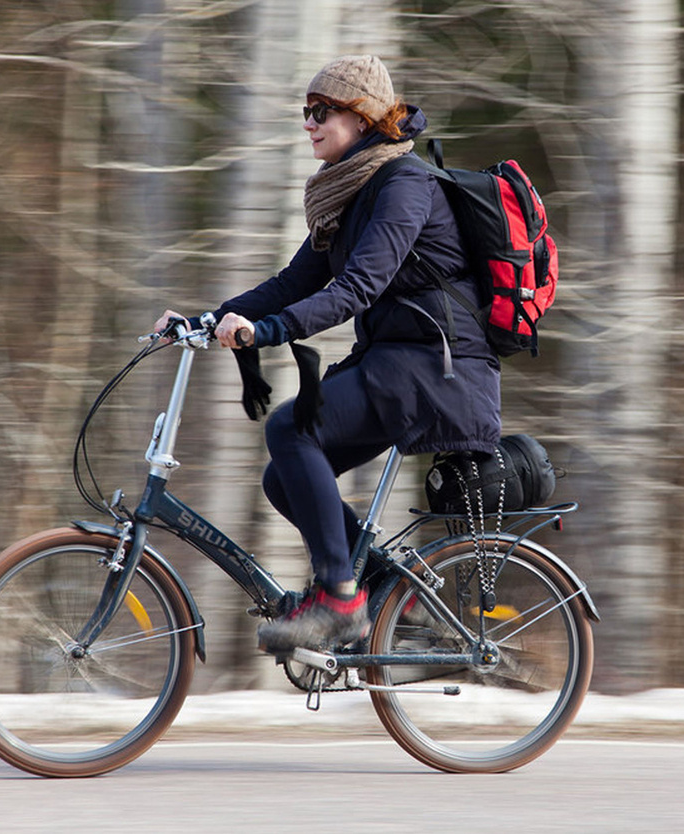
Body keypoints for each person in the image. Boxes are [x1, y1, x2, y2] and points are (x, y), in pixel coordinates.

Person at [155, 54, 500, 653]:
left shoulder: (404, 185)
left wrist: (266, 334)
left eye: (322, 112)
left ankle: (341, 600)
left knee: (291, 428)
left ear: (364, 118)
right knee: (284, 479)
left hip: (437, 367)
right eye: (305, 112)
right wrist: (206, 320)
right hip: (397, 361)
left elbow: (358, 287)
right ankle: (400, 598)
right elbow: (293, 283)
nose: (309, 123)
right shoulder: (351, 191)